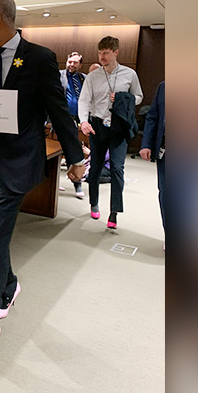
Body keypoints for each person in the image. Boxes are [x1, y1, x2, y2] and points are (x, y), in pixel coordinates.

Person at [0, 0, 85, 370]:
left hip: (14, 168)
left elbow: (59, 112)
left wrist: (75, 158)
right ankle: (9, 286)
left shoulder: (40, 59)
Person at [79, 36, 143, 230]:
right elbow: (84, 100)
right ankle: (94, 203)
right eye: (100, 53)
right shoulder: (93, 76)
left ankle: (114, 212)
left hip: (119, 127)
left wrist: (125, 98)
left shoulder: (129, 74)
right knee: (96, 167)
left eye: (106, 52)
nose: (102, 56)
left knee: (117, 169)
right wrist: (83, 121)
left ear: (116, 52)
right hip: (97, 125)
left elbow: (139, 96)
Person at [140, 81, 165, 246]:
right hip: (166, 149)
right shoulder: (164, 87)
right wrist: (146, 144)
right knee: (166, 193)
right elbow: (153, 117)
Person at [60, 51, 87, 197]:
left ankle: (77, 182)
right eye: (70, 61)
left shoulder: (84, 79)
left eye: (75, 62)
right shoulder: (59, 76)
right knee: (58, 150)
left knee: (77, 150)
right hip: (62, 118)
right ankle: (55, 183)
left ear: (80, 65)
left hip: (80, 118)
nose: (71, 64)